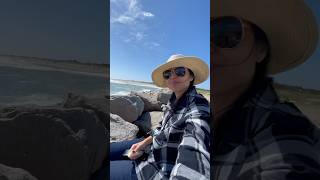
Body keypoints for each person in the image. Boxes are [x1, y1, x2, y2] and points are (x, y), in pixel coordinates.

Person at [211, 0, 320, 179]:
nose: (208, 47)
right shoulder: (205, 116)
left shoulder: (283, 128)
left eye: (225, 34)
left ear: (260, 50)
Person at [104, 54, 210, 180]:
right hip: (152, 147)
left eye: (180, 71)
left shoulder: (198, 107)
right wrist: (143, 143)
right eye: (167, 74)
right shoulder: (173, 101)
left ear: (191, 76)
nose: (173, 76)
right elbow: (161, 128)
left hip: (156, 169)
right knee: (104, 152)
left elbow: (195, 151)